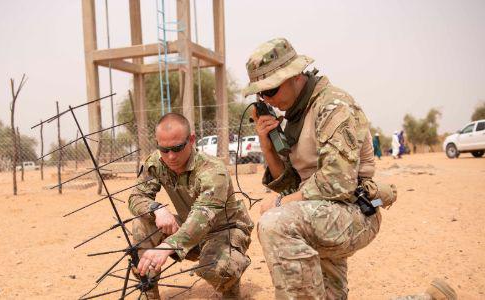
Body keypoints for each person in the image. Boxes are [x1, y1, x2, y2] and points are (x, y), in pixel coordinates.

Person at [242, 37, 455, 299]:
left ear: (295, 75)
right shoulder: (295, 114)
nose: (267, 99)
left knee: (276, 223)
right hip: (315, 211)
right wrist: (267, 145)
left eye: (271, 90)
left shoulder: (333, 106)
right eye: (260, 94)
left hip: (351, 211)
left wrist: (280, 204)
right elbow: (291, 184)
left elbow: (336, 182)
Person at [128, 112, 254, 299]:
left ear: (192, 140)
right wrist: (156, 209)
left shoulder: (213, 169)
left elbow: (204, 215)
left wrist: (168, 245)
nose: (170, 156)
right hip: (188, 229)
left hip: (224, 231)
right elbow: (135, 197)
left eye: (177, 148)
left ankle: (230, 288)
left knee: (219, 268)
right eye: (164, 149)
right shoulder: (156, 162)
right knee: (142, 224)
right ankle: (149, 294)